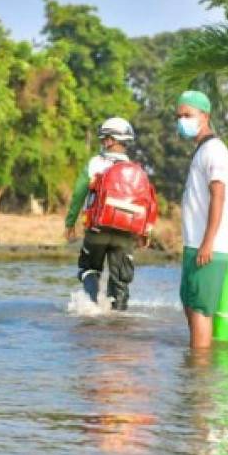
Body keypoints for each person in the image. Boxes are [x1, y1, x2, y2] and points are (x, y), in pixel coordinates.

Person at [65, 117, 149, 311]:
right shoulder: (136, 170)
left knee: (89, 269)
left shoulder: (95, 163)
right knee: (120, 280)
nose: (102, 142)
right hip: (126, 233)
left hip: (98, 229)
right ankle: (119, 321)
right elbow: (146, 203)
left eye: (104, 138)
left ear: (111, 140)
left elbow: (79, 193)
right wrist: (145, 233)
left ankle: (91, 308)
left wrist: (70, 223)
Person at [176, 90, 228, 349]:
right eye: (179, 116)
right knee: (189, 304)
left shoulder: (215, 150)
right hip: (194, 243)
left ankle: (200, 379)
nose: (182, 120)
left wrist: (208, 242)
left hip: (209, 246)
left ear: (205, 116)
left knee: (200, 308)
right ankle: (194, 373)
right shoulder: (201, 151)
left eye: (188, 115)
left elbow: (218, 196)